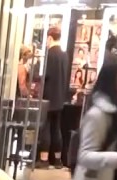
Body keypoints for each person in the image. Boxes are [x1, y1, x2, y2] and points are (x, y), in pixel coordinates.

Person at [39, 25, 69, 169]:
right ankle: (57, 159)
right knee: (57, 128)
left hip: (48, 96)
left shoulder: (49, 55)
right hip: (60, 97)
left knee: (45, 127)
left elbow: (46, 76)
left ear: (50, 38)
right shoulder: (64, 55)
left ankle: (44, 159)